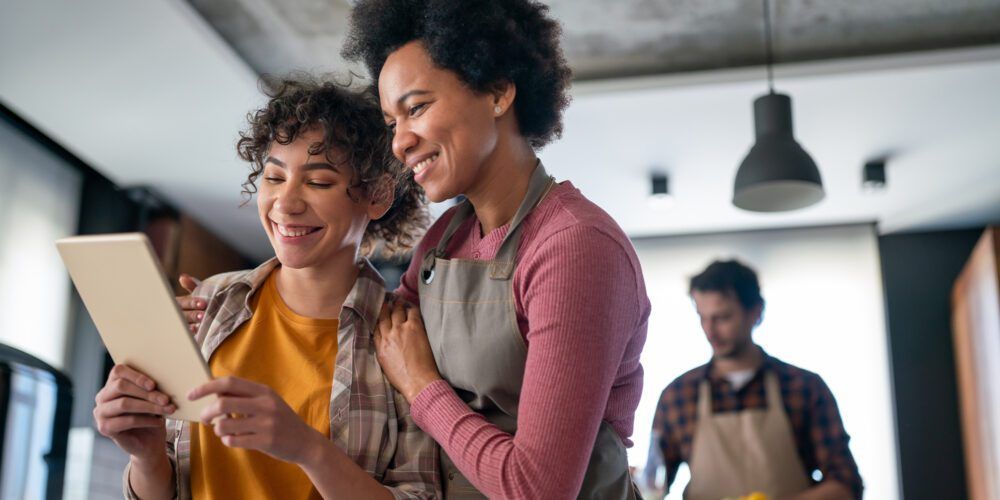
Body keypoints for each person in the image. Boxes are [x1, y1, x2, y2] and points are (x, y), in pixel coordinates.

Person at [348, 0, 650, 498]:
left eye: (416, 108)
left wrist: (423, 387)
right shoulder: (445, 239)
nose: (400, 142)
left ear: (497, 92)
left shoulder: (574, 248)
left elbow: (538, 489)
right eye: (390, 123)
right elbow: (376, 336)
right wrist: (231, 304)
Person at [94, 76, 440, 500]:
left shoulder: (404, 339)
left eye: (318, 182)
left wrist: (308, 449)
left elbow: (421, 495)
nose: (286, 203)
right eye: (275, 177)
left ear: (378, 196)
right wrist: (145, 457)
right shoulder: (210, 303)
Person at [649, 260, 863, 500]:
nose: (709, 330)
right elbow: (652, 485)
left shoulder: (803, 388)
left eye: (723, 318)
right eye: (702, 317)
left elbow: (846, 485)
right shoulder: (678, 395)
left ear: (756, 312)